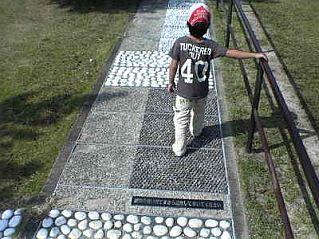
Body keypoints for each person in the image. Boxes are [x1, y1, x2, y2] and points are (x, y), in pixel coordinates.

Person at [168, 3, 268, 157]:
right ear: (207, 27)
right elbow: (232, 53)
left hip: (183, 92)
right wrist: (254, 54)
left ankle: (180, 148)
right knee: (199, 112)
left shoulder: (179, 42)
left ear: (188, 23)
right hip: (202, 91)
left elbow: (173, 66)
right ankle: (197, 131)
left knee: (181, 119)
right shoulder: (211, 46)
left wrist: (170, 82)